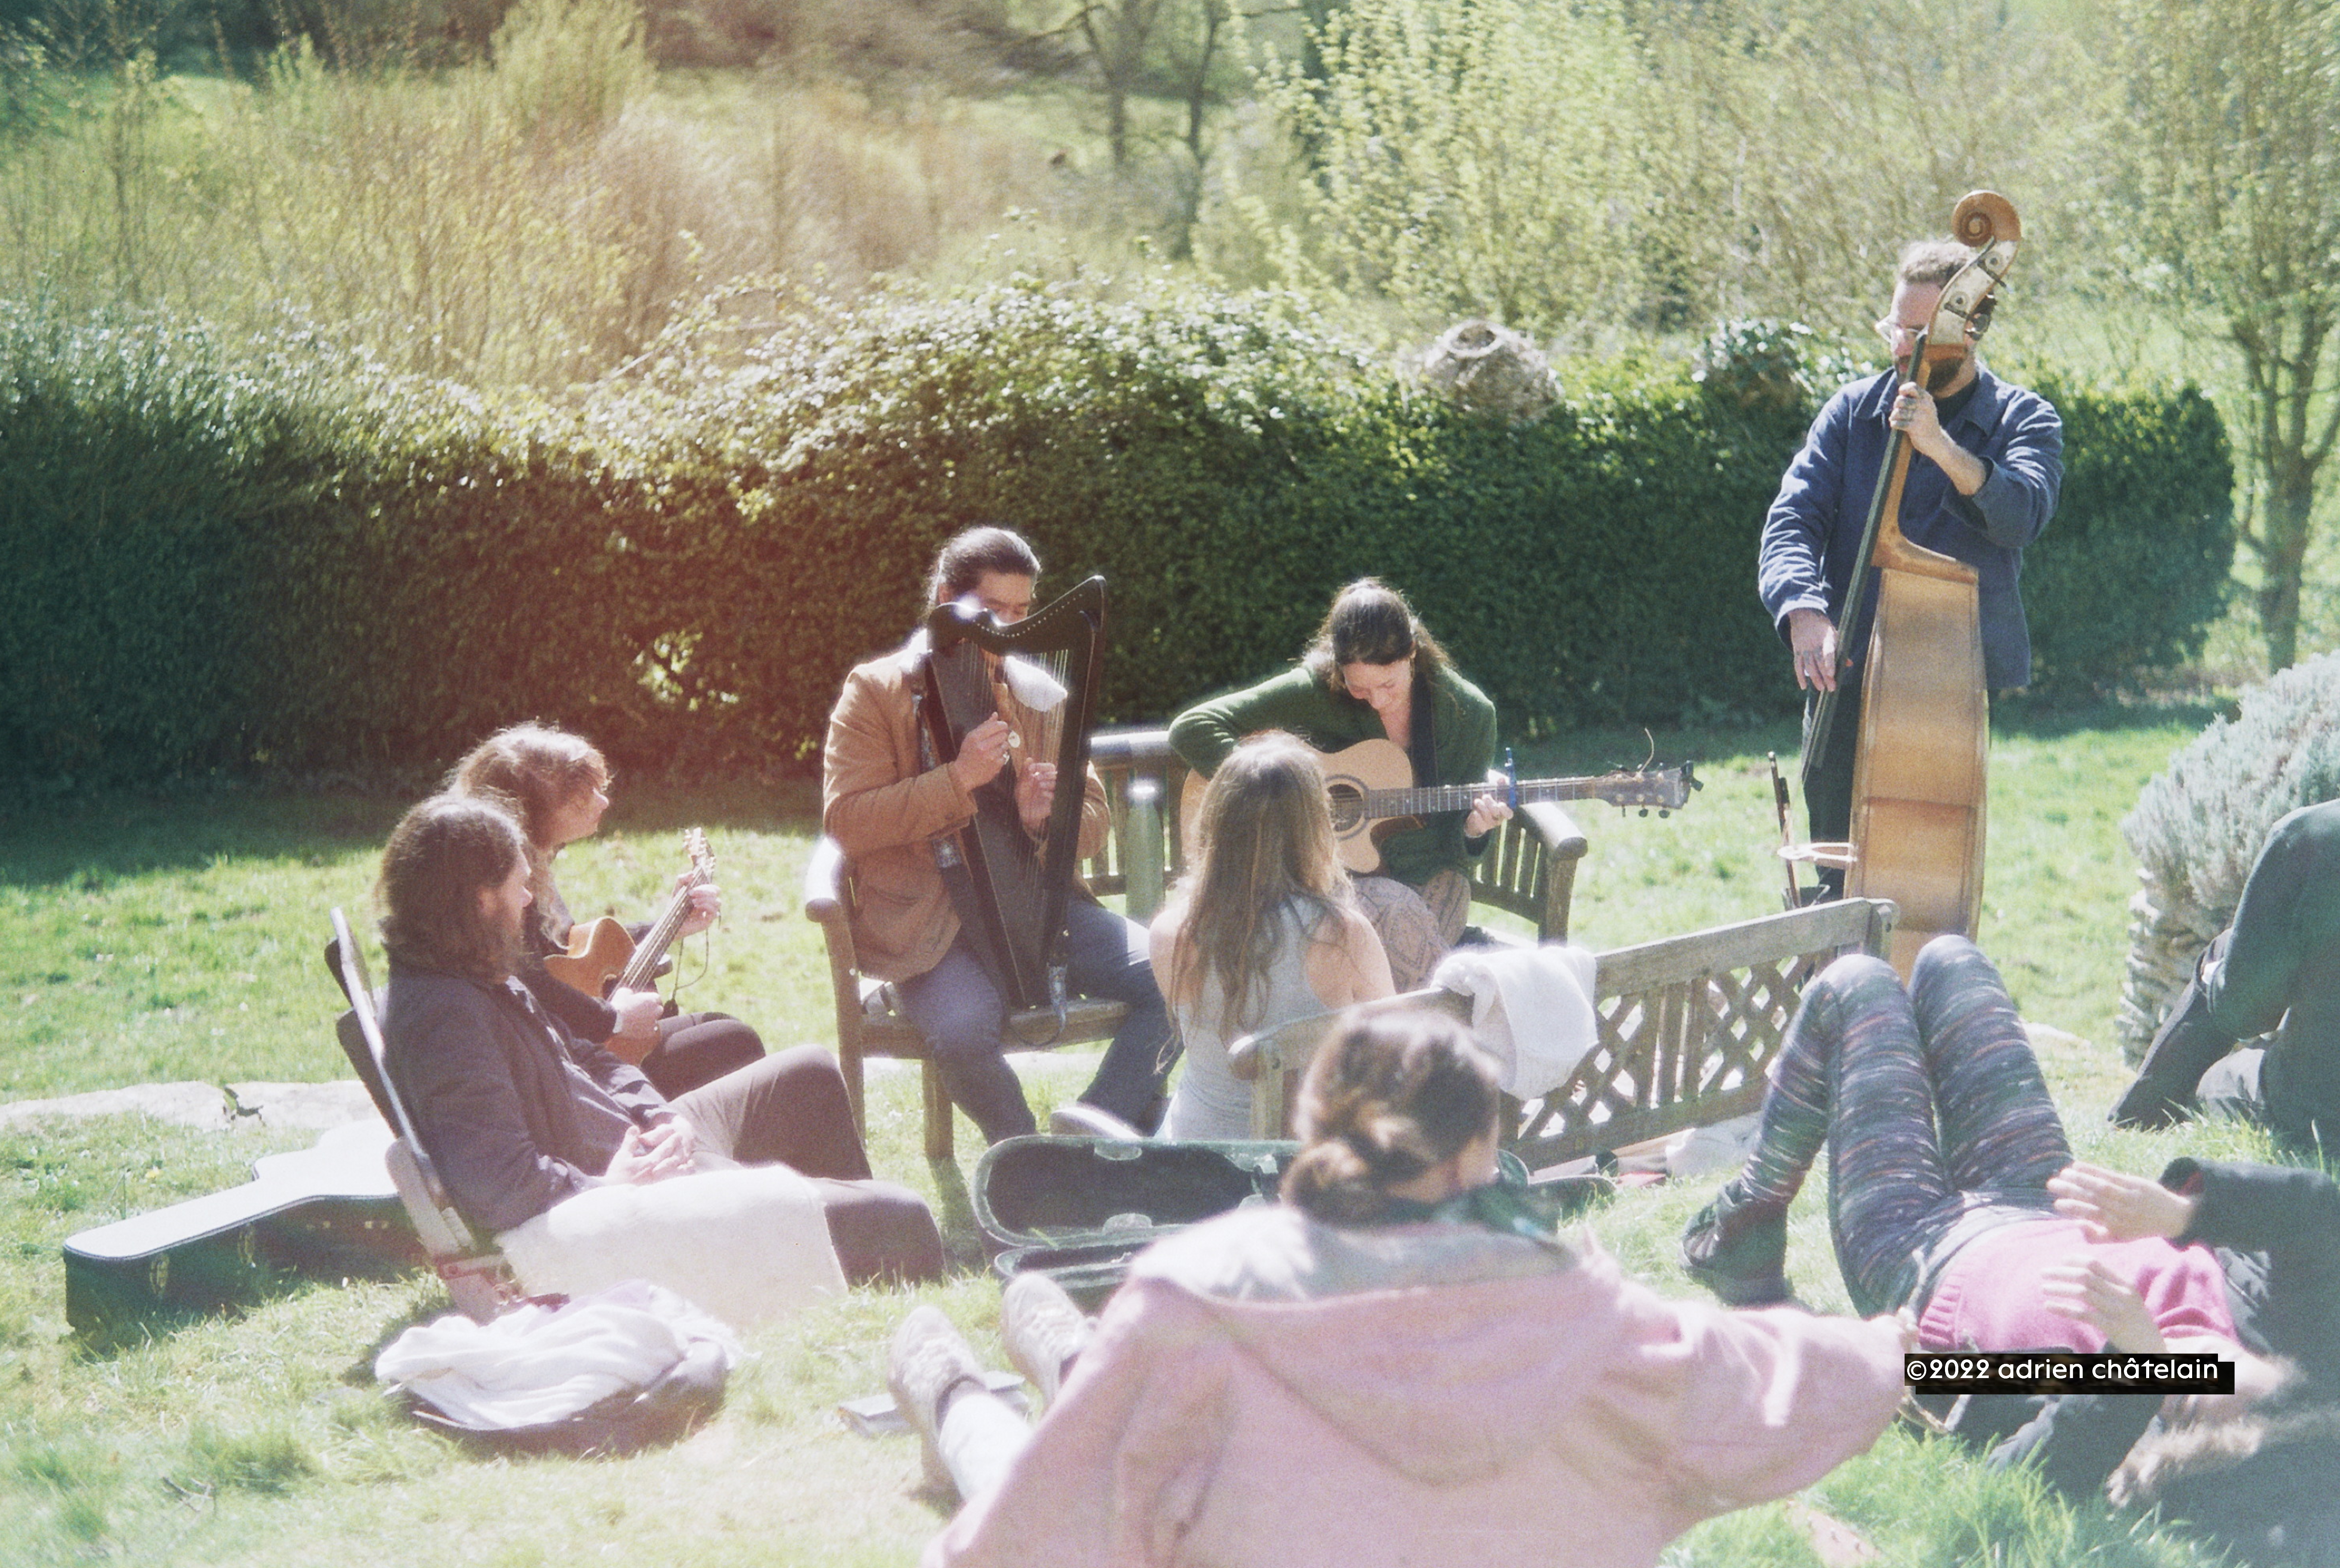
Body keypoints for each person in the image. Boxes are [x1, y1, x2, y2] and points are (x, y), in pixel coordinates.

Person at [888, 1009, 1907, 1568]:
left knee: (1030, 1431)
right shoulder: (1600, 1331)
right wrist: (1936, 1342)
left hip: (1149, 1373)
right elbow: (1801, 1373)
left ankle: (949, 1380)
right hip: (1158, 1371)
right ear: (1478, 1154)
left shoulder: (1187, 1305)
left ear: (1315, 1134)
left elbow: (1028, 1539)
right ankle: (1020, 1350)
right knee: (1094, 1402)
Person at [1681, 936, 2340, 1540]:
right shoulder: (2282, 1316)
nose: (2188, 1385)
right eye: (2225, 1386)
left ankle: (1747, 1219)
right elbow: (2319, 1214)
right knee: (1948, 961)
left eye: (2185, 1415)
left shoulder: (2102, 1403)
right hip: (2035, 1191)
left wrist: (2131, 1374)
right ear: (2287, 1378)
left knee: (1855, 986)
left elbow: (2006, 1473)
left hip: (1927, 1252)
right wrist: (2182, 1213)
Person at [377, 792, 942, 1285]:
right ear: (479, 900)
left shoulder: (468, 967)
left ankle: (816, 1234)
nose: (529, 903)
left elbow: (586, 1055)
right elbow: (499, 1186)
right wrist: (609, 1182)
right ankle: (816, 1231)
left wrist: (657, 1116)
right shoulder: (446, 1019)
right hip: (635, 1203)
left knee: (811, 1076)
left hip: (644, 1146)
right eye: (520, 888)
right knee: (906, 1221)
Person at [822, 526, 1174, 1145]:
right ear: (945, 597)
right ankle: (1024, 1160)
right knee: (962, 1031)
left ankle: (1089, 1136)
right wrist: (957, 780)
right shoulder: (876, 691)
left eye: (1022, 613)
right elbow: (847, 820)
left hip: (1039, 907)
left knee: (1181, 977)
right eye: (992, 612)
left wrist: (1048, 816)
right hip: (930, 922)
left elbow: (1092, 818)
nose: (1008, 629)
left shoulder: (1037, 695)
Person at [1757, 239, 2063, 893]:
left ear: (1971, 328)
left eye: (1921, 333)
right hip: (1845, 680)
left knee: (1925, 886)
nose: (1902, 347)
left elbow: (2024, 514)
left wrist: (1941, 447)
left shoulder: (2024, 417)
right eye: (1896, 326)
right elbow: (1791, 520)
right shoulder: (1851, 412)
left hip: (1945, 694)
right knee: (1836, 880)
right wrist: (1805, 610)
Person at [1168, 578, 1511, 989]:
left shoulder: (1469, 714)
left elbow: (1459, 854)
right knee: (1388, 926)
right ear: (1337, 666)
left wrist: (1474, 830)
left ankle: (1383, 1041)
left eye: (1389, 685)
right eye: (1359, 687)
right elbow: (1192, 727)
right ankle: (1426, 1036)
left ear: (1413, 654)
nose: (1377, 700)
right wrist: (1279, 792)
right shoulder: (1312, 690)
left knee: (1411, 922)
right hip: (1326, 881)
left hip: (1428, 877)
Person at [449, 722, 762, 1100]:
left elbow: (570, 954)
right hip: (574, 1073)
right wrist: (614, 1018)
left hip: (578, 1044)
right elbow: (529, 982)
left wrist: (673, 924)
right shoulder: (507, 884)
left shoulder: (528, 861)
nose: (603, 801)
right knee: (736, 1043)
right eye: (583, 794)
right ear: (535, 808)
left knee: (724, 1028)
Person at [1149, 733, 1394, 1139]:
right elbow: (1398, 1057)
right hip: (1303, 1168)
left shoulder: (1170, 931)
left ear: (1215, 824)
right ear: (1315, 827)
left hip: (1192, 1159)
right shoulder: (1342, 934)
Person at [2113, 798, 2340, 1144]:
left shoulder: (2312, 835)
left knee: (2217, 1077)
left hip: (2313, 1114)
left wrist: (2214, 974)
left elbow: (2244, 1014)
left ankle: (2130, 1126)